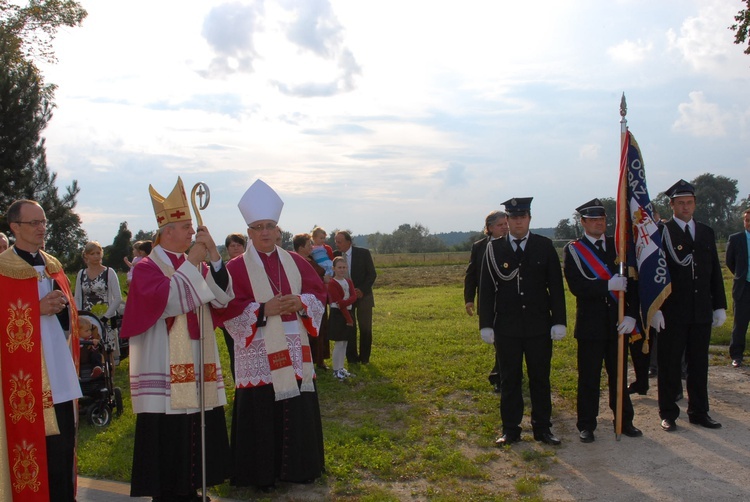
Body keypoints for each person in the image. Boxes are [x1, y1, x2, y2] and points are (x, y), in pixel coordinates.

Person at [119, 177, 233, 500]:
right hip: (164, 361)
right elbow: (167, 302)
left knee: (196, 428)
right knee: (170, 434)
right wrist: (195, 261)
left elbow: (222, 298)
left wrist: (214, 258)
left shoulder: (193, 263)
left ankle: (192, 488)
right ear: (167, 232)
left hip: (198, 358)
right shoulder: (146, 267)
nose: (191, 233)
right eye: (185, 227)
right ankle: (170, 493)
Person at [217, 179, 326, 491]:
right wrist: (263, 309)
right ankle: (259, 473)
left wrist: (301, 302)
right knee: (261, 409)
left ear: (279, 230)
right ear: (249, 232)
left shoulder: (295, 262)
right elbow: (227, 309)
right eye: (257, 226)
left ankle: (300, 468)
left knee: (296, 407)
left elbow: (318, 296)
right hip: (259, 351)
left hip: (294, 350)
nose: (265, 232)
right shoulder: (235, 268)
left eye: (270, 226)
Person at [0, 199, 82, 501]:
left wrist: (65, 312)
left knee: (62, 454)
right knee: (35, 456)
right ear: (14, 227)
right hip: (25, 383)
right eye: (34, 223)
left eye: (43, 222)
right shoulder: (3, 269)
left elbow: (66, 317)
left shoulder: (53, 266)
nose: (41, 228)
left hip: (59, 377)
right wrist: (34, 310)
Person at [479, 197, 566, 446]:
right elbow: (486, 290)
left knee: (540, 378)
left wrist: (559, 320)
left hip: (539, 326)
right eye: (513, 217)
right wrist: (485, 324)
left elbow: (556, 288)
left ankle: (543, 428)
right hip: (507, 327)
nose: (518, 221)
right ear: (507, 220)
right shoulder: (494, 249)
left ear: (529, 218)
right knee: (510, 380)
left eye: (522, 216)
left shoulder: (544, 245)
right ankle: (510, 429)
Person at [563, 198, 643, 442]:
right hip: (590, 325)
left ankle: (624, 419)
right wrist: (606, 285)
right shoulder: (574, 250)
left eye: (602, 219)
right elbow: (576, 285)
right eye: (593, 220)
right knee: (589, 377)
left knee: (619, 375)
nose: (598, 223)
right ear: (583, 222)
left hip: (618, 322)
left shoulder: (619, 246)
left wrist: (631, 314)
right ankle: (586, 424)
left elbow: (635, 284)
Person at [653, 179, 727, 432]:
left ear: (695, 204)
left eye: (690, 202)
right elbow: (656, 273)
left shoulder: (705, 231)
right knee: (669, 363)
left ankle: (699, 411)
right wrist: (655, 308)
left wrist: (719, 305)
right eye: (680, 203)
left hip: (700, 310)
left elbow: (714, 271)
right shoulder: (662, 232)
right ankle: (668, 413)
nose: (686, 207)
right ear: (671, 205)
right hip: (672, 311)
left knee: (698, 364)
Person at [464, 210, 509, 392]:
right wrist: (469, 299)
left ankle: (500, 375)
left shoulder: (512, 245)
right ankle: (502, 373)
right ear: (489, 228)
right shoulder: (479, 247)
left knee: (505, 341)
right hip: (487, 303)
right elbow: (471, 274)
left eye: (506, 224)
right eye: (500, 225)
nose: (505, 228)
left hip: (508, 303)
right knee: (498, 340)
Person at [74, 241, 123, 373]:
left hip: (106, 317)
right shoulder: (81, 274)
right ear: (86, 256)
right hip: (87, 320)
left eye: (98, 253)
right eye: (92, 253)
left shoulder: (109, 272)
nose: (96, 256)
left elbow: (117, 297)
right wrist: (80, 316)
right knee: (88, 349)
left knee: (108, 352)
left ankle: (110, 381)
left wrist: (106, 316)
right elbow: (77, 297)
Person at [334, 230, 377, 364]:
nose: (337, 244)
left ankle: (364, 358)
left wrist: (361, 290)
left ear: (349, 242)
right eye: (336, 241)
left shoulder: (363, 253)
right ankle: (352, 359)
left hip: (364, 297)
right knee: (350, 328)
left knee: (365, 328)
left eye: (339, 241)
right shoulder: (335, 256)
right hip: (346, 299)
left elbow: (372, 274)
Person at [293, 232, 331, 369]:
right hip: (304, 302)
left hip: (319, 299)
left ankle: (320, 359)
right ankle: (307, 360)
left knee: (321, 330)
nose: (311, 247)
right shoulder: (295, 262)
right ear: (301, 247)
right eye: (309, 245)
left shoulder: (311, 259)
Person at [220, 232, 248, 380]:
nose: (236, 248)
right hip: (230, 317)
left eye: (239, 245)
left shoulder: (252, 267)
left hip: (250, 314)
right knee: (234, 352)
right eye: (232, 245)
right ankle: (238, 386)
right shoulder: (222, 270)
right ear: (227, 249)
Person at [726, 207, 750, 368]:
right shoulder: (736, 239)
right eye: (747, 220)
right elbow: (730, 262)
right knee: (740, 323)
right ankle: (736, 355)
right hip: (743, 287)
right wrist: (741, 275)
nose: (749, 223)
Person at [328, 256, 358, 380]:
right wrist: (348, 319)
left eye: (344, 267)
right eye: (339, 267)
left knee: (345, 342)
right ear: (334, 268)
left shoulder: (348, 281)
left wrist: (346, 301)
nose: (342, 270)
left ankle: (341, 368)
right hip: (338, 315)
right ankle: (336, 370)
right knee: (339, 343)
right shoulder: (332, 283)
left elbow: (354, 296)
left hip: (348, 312)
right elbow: (339, 304)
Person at [78, 314, 105, 379]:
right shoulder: (75, 340)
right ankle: (76, 374)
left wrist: (95, 343)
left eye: (90, 330)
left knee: (96, 355)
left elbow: (95, 349)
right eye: (86, 331)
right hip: (78, 358)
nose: (90, 332)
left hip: (89, 358)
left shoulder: (91, 339)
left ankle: (96, 368)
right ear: (77, 331)